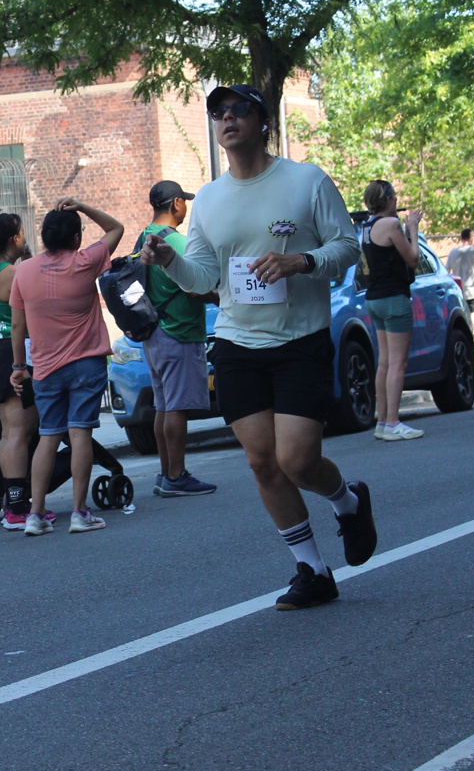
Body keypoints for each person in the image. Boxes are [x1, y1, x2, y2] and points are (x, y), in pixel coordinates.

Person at [141, 84, 376, 610]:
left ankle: (347, 499)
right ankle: (312, 569)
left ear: (263, 122)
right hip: (237, 342)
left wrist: (302, 261)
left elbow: (347, 246)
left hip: (300, 340)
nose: (227, 119)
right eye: (218, 112)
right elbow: (204, 276)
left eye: (239, 110)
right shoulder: (209, 199)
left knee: (298, 460)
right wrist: (170, 262)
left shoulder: (306, 180)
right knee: (263, 463)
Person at [9, 197, 123, 534]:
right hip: (86, 364)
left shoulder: (23, 271)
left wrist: (19, 366)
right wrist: (83, 207)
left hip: (44, 369)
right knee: (80, 434)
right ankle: (79, 512)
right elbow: (116, 228)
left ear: (44, 236)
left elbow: (17, 325)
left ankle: (35, 515)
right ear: (76, 238)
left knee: (48, 436)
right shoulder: (86, 261)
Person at [0, 212, 50, 530]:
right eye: (23, 234)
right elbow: (39, 299)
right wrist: (20, 366)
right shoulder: (12, 273)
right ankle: (17, 507)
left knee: (10, 432)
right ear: (15, 238)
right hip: (15, 353)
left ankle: (14, 503)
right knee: (20, 431)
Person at [141, 180, 217, 497]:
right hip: (179, 332)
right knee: (177, 408)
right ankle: (176, 475)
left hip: (155, 333)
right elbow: (196, 287)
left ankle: (165, 473)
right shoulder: (177, 243)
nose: (185, 207)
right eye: (183, 201)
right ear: (175, 204)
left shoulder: (145, 236)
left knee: (163, 406)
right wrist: (221, 296)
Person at [361, 180, 423, 442]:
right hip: (394, 298)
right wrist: (413, 229)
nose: (397, 201)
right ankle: (394, 422)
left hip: (374, 298)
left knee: (384, 362)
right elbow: (413, 258)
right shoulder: (391, 224)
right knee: (398, 362)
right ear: (386, 199)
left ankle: (383, 421)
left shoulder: (366, 227)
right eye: (394, 196)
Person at [446, 228, 474, 334]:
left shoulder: (453, 252)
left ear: (461, 239)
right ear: (472, 239)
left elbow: (447, 270)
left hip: (458, 288)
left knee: (462, 313)